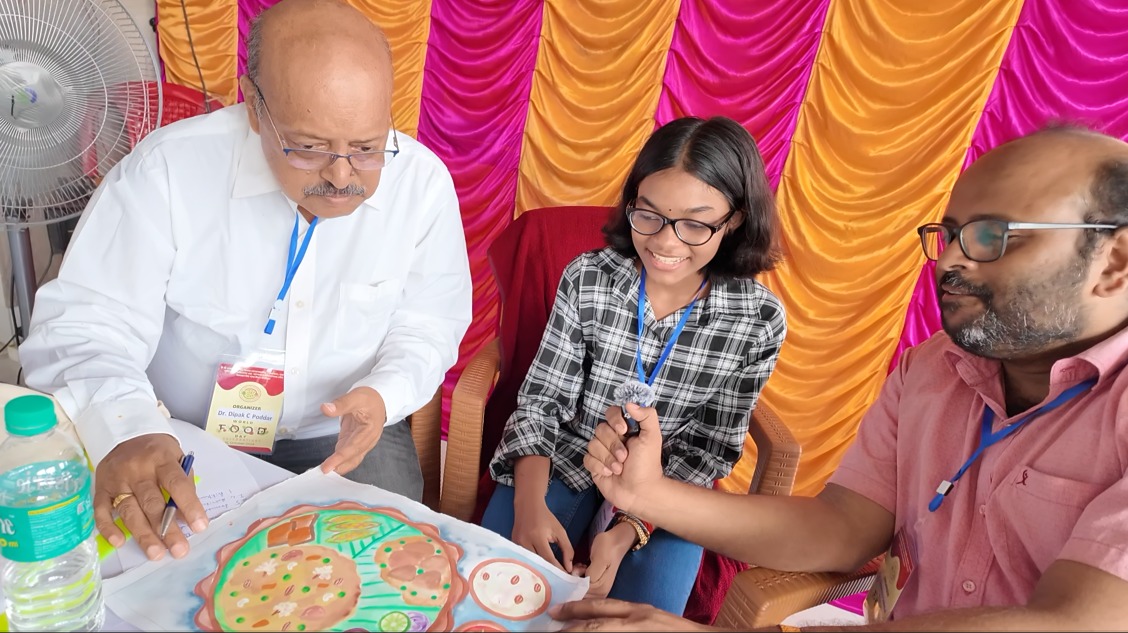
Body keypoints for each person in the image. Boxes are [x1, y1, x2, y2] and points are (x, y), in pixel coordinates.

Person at [557, 125, 1128, 631]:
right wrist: (645, 494)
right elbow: (844, 528)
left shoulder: (755, 311)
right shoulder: (932, 369)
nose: (950, 261)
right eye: (948, 235)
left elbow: (1074, 622)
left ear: (1114, 261)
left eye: (992, 236)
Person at [19, 0, 471, 564]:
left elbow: (430, 321)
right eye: (308, 147)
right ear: (254, 106)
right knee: (176, 575)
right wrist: (126, 426)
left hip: (349, 436)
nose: (340, 174)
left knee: (382, 576)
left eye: (365, 148)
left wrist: (387, 394)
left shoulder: (421, 186)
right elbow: (87, 324)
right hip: (185, 435)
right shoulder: (167, 171)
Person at [482, 116, 787, 615]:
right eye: (648, 215)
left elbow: (709, 450)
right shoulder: (588, 277)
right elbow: (541, 403)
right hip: (567, 457)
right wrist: (527, 506)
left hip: (672, 484)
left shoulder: (758, 320)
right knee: (497, 591)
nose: (665, 243)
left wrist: (629, 530)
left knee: (644, 618)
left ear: (733, 220)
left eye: (695, 223)